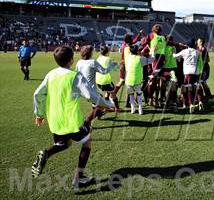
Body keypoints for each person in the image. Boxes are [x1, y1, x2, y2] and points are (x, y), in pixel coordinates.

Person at [31, 46, 115, 189]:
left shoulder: (51, 74)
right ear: (71, 60)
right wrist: (109, 104)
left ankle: (46, 153)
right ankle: (78, 178)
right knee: (87, 141)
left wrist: (39, 114)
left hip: (55, 120)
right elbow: (91, 96)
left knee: (65, 143)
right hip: (72, 121)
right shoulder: (75, 76)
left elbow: (37, 94)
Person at [173, 39, 203, 113]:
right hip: (195, 71)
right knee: (196, 86)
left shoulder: (184, 51)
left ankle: (191, 104)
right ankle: (200, 101)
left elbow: (175, 56)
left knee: (188, 87)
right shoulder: (197, 52)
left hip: (187, 72)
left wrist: (173, 52)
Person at [96, 46, 120, 111]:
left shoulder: (98, 58)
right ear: (107, 52)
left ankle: (107, 107)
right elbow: (116, 69)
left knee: (108, 91)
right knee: (113, 93)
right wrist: (119, 65)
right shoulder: (108, 59)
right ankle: (117, 108)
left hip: (98, 81)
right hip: (105, 81)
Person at [125, 45, 144, 114]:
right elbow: (151, 60)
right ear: (137, 51)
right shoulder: (140, 58)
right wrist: (153, 52)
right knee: (139, 94)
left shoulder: (127, 58)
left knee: (131, 94)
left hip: (128, 80)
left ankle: (132, 109)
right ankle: (140, 109)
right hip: (137, 81)